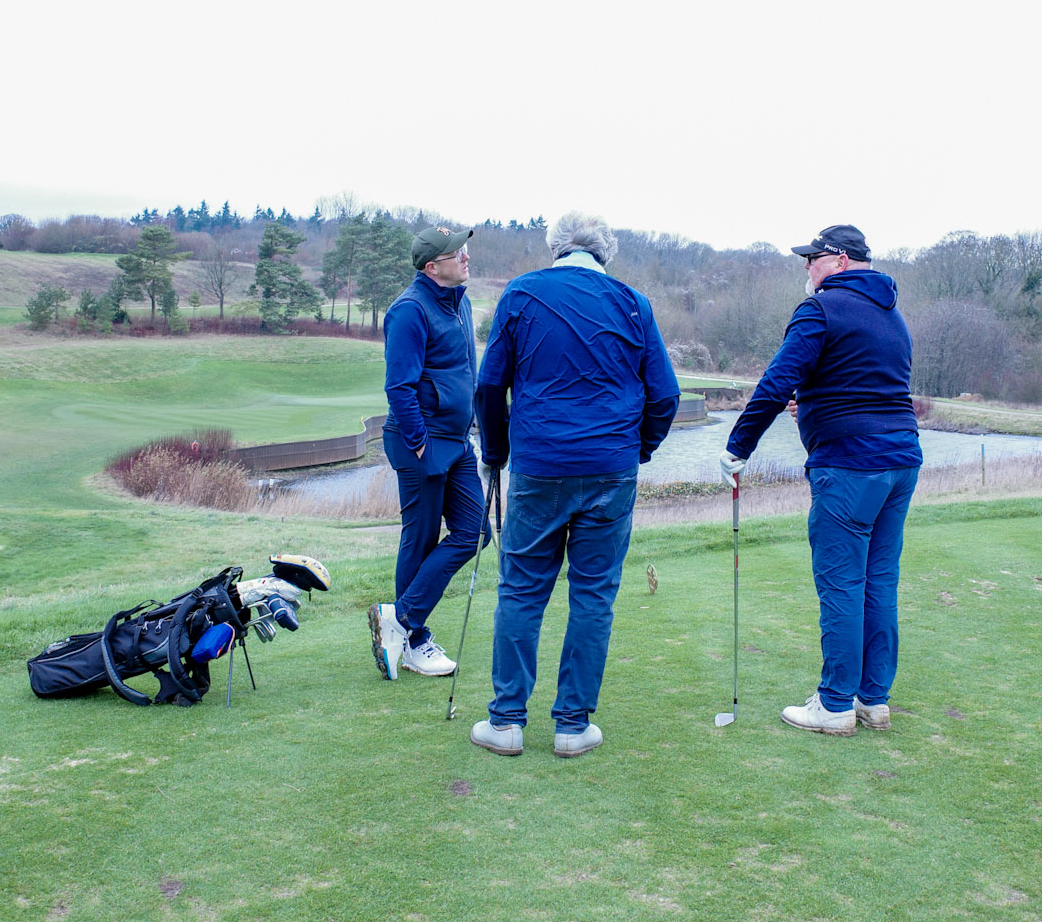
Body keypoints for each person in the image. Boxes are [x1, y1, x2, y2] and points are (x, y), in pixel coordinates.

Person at [468, 212, 680, 758]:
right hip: (610, 468)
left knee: (521, 590)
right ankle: (572, 725)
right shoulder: (632, 302)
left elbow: (489, 387)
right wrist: (636, 450)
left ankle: (506, 722)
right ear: (605, 253)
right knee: (593, 594)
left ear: (555, 248)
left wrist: (495, 454)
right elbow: (664, 396)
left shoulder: (522, 293)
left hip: (540, 466)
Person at [720, 224, 921, 736]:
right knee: (879, 581)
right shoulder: (892, 315)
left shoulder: (821, 309)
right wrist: (810, 405)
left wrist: (739, 445)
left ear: (839, 260)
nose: (806, 267)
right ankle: (872, 700)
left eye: (812, 258)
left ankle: (833, 704)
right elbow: (860, 385)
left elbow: (777, 380)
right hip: (901, 460)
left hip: (850, 465)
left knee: (842, 583)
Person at [370, 225, 486, 681]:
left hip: (456, 441)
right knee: (419, 540)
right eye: (457, 253)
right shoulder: (409, 311)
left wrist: (474, 426)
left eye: (465, 249)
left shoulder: (460, 302)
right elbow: (398, 387)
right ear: (432, 267)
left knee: (474, 531)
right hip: (420, 442)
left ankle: (399, 620)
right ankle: (415, 642)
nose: (466, 257)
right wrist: (420, 443)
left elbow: (466, 371)